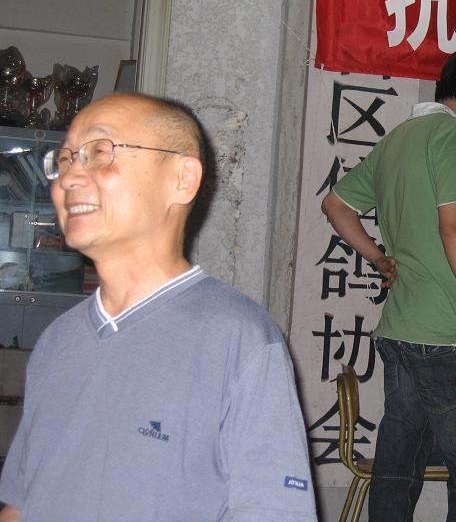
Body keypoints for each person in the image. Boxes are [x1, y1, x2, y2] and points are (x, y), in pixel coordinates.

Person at [0, 93, 316, 522]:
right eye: (65, 159)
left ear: (182, 179)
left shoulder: (240, 342)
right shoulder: (57, 341)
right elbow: (21, 505)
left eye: (99, 152)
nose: (69, 176)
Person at [321, 40, 456, 521]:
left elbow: (335, 205)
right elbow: (454, 228)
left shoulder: (397, 139)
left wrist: (379, 257)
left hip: (399, 333)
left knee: (397, 471)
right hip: (445, 335)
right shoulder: (455, 138)